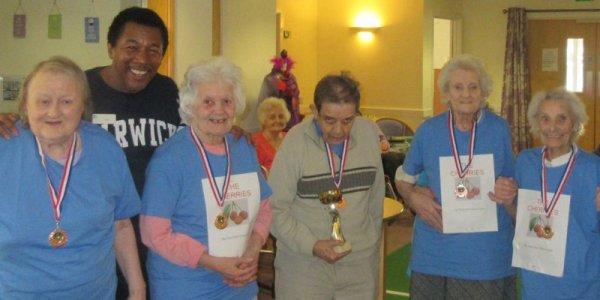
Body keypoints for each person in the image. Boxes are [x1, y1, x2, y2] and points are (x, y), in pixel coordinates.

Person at [0, 56, 144, 299]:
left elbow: (120, 225)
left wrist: (137, 289)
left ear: (83, 107)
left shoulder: (106, 148)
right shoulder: (6, 147)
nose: (54, 111)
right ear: (25, 105)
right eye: (43, 101)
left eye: (67, 101)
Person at [139, 57, 272, 299]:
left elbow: (264, 206)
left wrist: (252, 251)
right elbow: (153, 233)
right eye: (208, 101)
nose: (219, 110)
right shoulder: (169, 159)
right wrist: (212, 262)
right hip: (186, 286)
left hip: (239, 283)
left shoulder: (243, 148)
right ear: (190, 106)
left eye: (227, 101)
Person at [395, 54, 517, 299]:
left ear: (483, 93)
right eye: (458, 87)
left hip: (485, 251)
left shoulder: (499, 128)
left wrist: (509, 190)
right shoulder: (428, 131)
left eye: (474, 87)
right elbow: (403, 178)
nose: (466, 94)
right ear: (446, 93)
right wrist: (412, 198)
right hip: (435, 248)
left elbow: (512, 181)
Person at [269, 73, 385, 299]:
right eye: (329, 120)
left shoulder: (370, 135)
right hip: (304, 266)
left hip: (359, 265)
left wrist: (368, 243)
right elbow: (274, 209)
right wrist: (312, 244)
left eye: (348, 120)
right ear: (314, 111)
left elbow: (375, 199)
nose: (339, 130)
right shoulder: (295, 141)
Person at [511, 88, 600, 299]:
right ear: (536, 123)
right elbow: (519, 218)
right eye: (545, 119)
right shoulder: (525, 162)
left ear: (575, 123)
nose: (552, 127)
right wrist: (506, 201)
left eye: (562, 119)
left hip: (581, 282)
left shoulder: (594, 167)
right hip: (536, 279)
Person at [257, 49, 301, 131]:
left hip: (291, 118)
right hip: (274, 119)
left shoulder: (292, 78)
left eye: (285, 63)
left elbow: (296, 97)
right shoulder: (270, 79)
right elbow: (263, 103)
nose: (284, 66)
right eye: (282, 63)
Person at [253, 96, 290, 172]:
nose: (277, 120)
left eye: (281, 116)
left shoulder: (290, 137)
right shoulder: (254, 143)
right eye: (272, 117)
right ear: (264, 119)